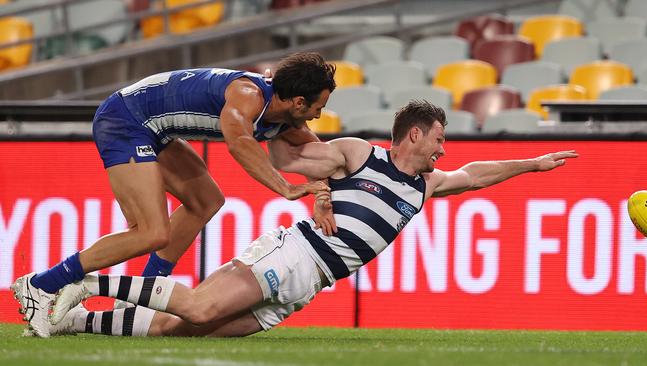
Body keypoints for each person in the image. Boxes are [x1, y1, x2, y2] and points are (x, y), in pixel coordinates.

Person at [43, 100, 578, 338]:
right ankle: (84, 283)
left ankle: (73, 322)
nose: (445, 149)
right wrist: (319, 187)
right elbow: (288, 158)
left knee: (179, 330)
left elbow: (479, 173)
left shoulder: (427, 183)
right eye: (440, 138)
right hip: (296, 252)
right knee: (202, 309)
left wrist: (532, 164)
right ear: (415, 134)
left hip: (311, 284)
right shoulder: (358, 153)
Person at [11, 52, 337, 337]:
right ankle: (41, 285)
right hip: (125, 121)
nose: (318, 116)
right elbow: (240, 142)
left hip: (155, 130)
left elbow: (322, 156)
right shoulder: (247, 94)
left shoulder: (283, 116)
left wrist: (327, 199)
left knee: (206, 201)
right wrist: (286, 187)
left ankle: (140, 301)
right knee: (151, 233)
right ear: (298, 102)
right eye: (317, 108)